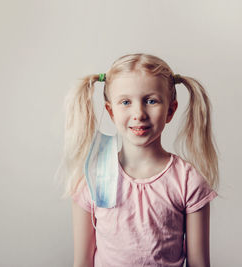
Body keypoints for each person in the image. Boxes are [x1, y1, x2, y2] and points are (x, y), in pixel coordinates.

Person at [57, 53, 219, 267]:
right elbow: (83, 262)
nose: (139, 113)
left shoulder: (188, 181)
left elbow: (199, 264)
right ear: (111, 111)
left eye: (151, 101)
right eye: (125, 102)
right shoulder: (94, 177)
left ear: (170, 110)